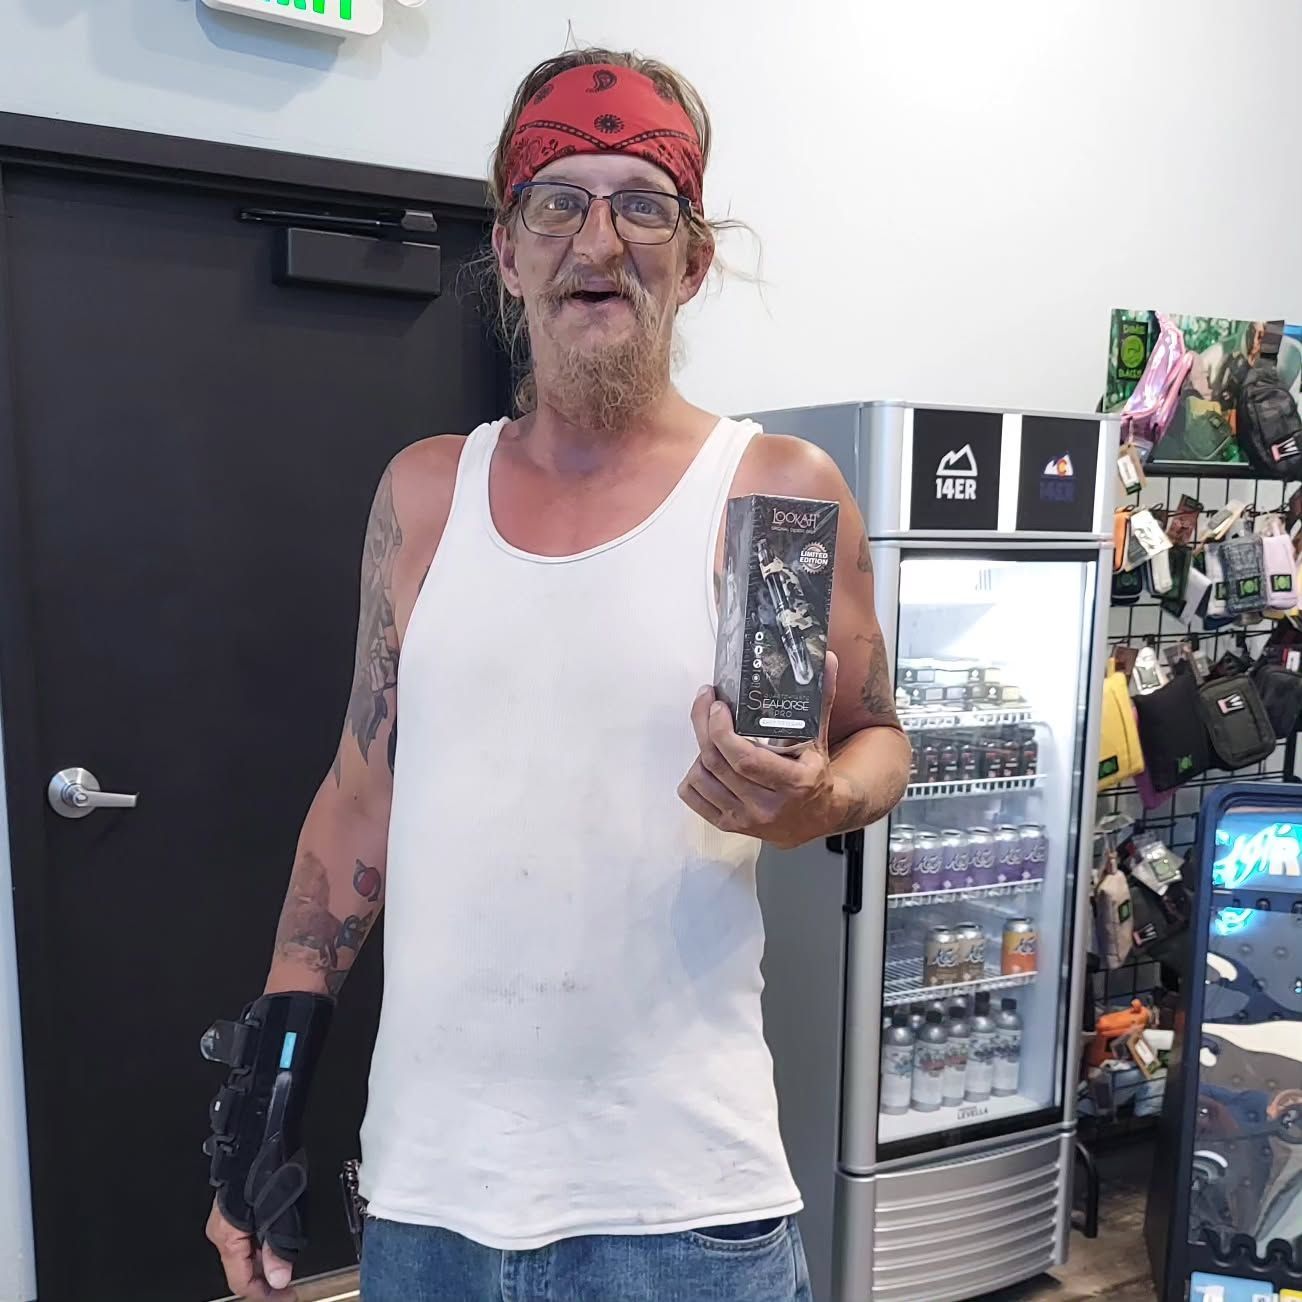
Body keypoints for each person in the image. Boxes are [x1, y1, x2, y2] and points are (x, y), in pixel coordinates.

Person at [206, 47, 909, 1302]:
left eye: (643, 204)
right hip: (432, 1207)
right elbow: (360, 796)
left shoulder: (775, 491)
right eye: (558, 202)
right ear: (510, 249)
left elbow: (876, 741)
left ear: (693, 260)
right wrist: (265, 1096)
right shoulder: (424, 496)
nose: (600, 239)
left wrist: (817, 804)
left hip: (687, 1209)